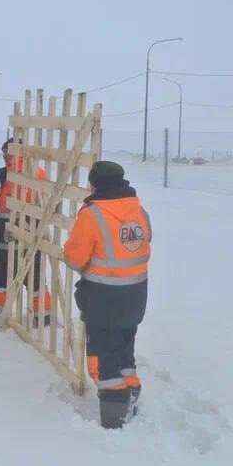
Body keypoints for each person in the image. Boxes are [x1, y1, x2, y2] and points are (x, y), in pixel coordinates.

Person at [64, 161, 151, 429]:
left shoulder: (93, 214)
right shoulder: (139, 210)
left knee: (104, 357)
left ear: (96, 183)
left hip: (104, 298)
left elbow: (75, 257)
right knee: (126, 349)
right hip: (136, 295)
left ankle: (114, 417)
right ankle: (131, 395)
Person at [0, 137, 51, 322]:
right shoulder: (35, 171)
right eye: (3, 153)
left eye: (7, 153)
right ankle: (43, 316)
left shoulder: (18, 174)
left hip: (14, 235)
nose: (4, 156)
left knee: (2, 273)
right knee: (35, 275)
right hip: (30, 234)